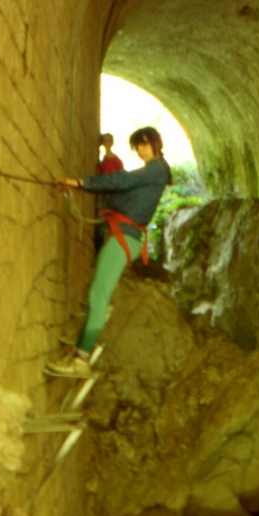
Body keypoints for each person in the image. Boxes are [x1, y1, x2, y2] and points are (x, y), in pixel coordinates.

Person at [45, 126, 172, 378]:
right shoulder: (151, 174)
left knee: (98, 295)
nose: (141, 150)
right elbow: (121, 190)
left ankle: (81, 360)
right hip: (122, 236)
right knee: (98, 293)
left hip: (125, 237)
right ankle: (82, 345)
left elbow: (122, 180)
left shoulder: (156, 169)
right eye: (138, 146)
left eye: (144, 144)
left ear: (155, 144)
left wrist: (82, 183)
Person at [94, 133, 124, 251]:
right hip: (103, 192)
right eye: (104, 141)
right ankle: (100, 247)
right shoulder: (103, 160)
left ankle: (109, 246)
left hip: (112, 194)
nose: (106, 143)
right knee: (101, 218)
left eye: (108, 141)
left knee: (109, 219)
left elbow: (121, 179)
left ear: (112, 143)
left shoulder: (117, 161)